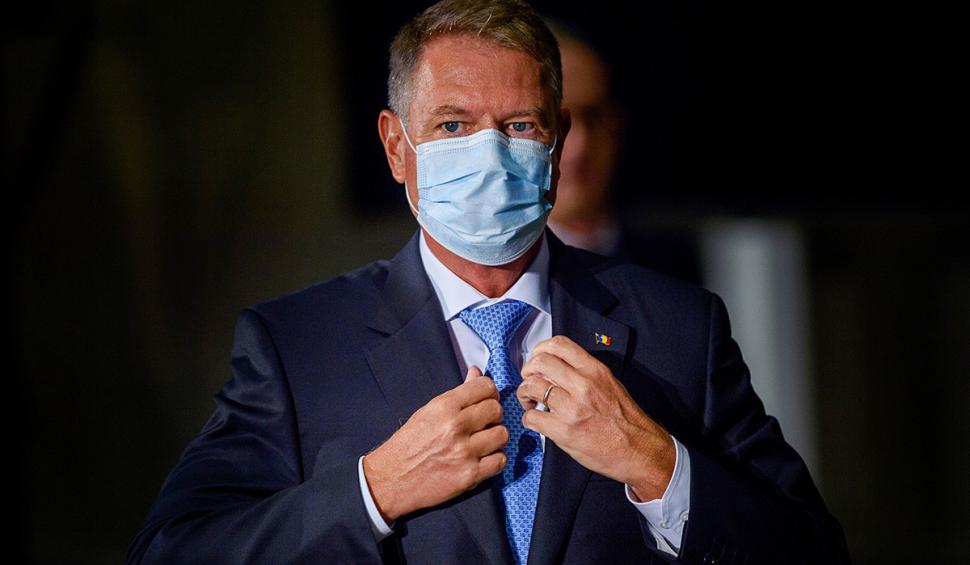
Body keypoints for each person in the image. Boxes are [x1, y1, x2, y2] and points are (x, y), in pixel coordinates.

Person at [129, 1, 848, 563]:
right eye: (452, 125)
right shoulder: (298, 347)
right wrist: (375, 489)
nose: (489, 154)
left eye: (519, 125)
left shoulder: (679, 328)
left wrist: (657, 465)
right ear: (395, 146)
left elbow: (813, 550)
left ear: (557, 146)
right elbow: (172, 551)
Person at [549, 24, 704, 286]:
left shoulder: (671, 265)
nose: (579, 146)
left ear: (615, 125)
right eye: (554, 122)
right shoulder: (489, 277)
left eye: (593, 117)